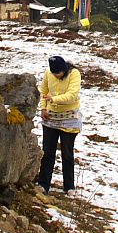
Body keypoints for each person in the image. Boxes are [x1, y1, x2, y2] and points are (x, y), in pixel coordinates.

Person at [37, 55, 82, 197]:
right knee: (48, 152)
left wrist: (54, 99)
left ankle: (69, 186)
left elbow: (71, 95)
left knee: (67, 153)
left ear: (64, 69)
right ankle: (43, 184)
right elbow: (43, 91)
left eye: (58, 73)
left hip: (69, 117)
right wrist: (44, 108)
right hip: (50, 117)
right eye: (53, 73)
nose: (56, 76)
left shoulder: (74, 74)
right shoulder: (48, 73)